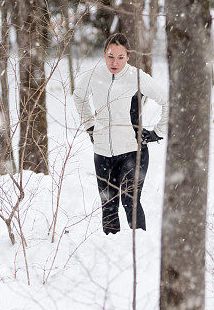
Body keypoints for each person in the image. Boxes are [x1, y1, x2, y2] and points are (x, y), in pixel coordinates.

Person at [72, 33, 168, 234]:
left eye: (120, 57)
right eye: (110, 56)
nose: (114, 62)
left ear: (128, 57)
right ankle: (111, 247)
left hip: (133, 151)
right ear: (103, 54)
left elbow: (167, 102)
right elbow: (79, 97)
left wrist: (158, 132)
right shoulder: (94, 76)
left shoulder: (138, 77)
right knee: (108, 203)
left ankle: (139, 247)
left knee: (129, 200)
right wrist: (90, 125)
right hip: (102, 152)